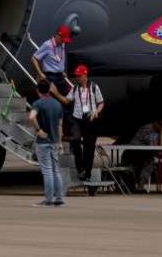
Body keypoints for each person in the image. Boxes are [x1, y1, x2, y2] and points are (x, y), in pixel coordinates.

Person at [27, 79, 65, 207]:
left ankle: (49, 200)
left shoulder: (38, 103)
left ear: (38, 90)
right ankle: (59, 198)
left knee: (47, 171)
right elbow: (60, 125)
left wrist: (38, 130)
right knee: (56, 170)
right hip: (55, 141)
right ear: (49, 89)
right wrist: (60, 142)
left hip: (43, 142)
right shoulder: (57, 104)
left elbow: (31, 117)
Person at [65, 64, 104, 184]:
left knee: (89, 147)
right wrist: (55, 93)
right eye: (76, 76)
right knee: (75, 140)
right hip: (77, 118)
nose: (77, 78)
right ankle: (80, 167)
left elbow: (101, 103)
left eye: (79, 75)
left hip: (91, 119)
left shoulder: (94, 87)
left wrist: (96, 112)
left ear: (85, 75)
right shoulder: (75, 88)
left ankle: (87, 172)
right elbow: (67, 100)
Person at [32, 25, 73, 104]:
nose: (64, 41)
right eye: (62, 39)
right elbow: (34, 58)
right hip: (50, 77)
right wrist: (40, 73)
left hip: (60, 76)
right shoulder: (47, 45)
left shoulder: (62, 45)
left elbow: (58, 59)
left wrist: (61, 70)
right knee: (54, 101)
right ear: (58, 35)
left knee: (69, 99)